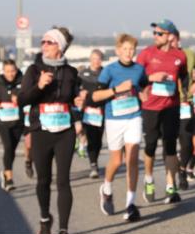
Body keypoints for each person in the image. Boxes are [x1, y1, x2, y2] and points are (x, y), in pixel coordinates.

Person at [19, 27, 88, 234]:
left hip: (64, 131)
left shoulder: (70, 72)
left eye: (48, 42)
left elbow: (75, 99)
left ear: (59, 46)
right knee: (43, 180)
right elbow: (22, 100)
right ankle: (45, 219)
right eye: (42, 42)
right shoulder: (33, 69)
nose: (44, 45)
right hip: (40, 130)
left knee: (63, 180)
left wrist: (79, 103)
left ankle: (64, 231)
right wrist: (39, 86)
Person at [91, 34, 165, 222]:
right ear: (118, 51)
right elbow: (96, 96)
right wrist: (117, 90)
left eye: (131, 49)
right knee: (116, 161)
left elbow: (141, 88)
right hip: (114, 119)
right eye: (124, 49)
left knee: (132, 158)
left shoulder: (139, 70)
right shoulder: (109, 70)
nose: (128, 53)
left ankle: (130, 204)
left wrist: (143, 94)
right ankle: (106, 188)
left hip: (133, 117)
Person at [137, 20, 188, 205]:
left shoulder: (180, 56)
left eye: (159, 33)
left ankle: (170, 185)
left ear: (170, 36)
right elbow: (136, 76)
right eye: (155, 33)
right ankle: (149, 179)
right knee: (150, 145)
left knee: (170, 146)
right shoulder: (147, 54)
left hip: (171, 106)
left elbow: (184, 74)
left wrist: (185, 92)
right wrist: (151, 79)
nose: (155, 36)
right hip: (151, 107)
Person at [0, 59, 24, 191]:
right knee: (8, 146)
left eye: (13, 71)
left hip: (17, 120)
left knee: (12, 149)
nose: (10, 74)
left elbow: (29, 94)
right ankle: (9, 178)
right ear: (3, 71)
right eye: (8, 71)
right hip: (3, 120)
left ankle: (5, 172)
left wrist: (20, 99)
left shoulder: (22, 81)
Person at [175, 36, 195, 190]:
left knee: (193, 145)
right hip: (175, 107)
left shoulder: (190, 55)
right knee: (181, 145)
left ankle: (185, 169)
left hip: (193, 109)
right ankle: (179, 172)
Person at [78, 49, 107, 179]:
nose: (96, 61)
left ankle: (94, 157)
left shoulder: (105, 73)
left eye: (98, 59)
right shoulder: (83, 74)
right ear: (90, 59)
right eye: (94, 59)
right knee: (90, 136)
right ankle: (93, 164)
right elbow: (76, 89)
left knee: (98, 140)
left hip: (101, 110)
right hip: (87, 110)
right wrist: (81, 94)